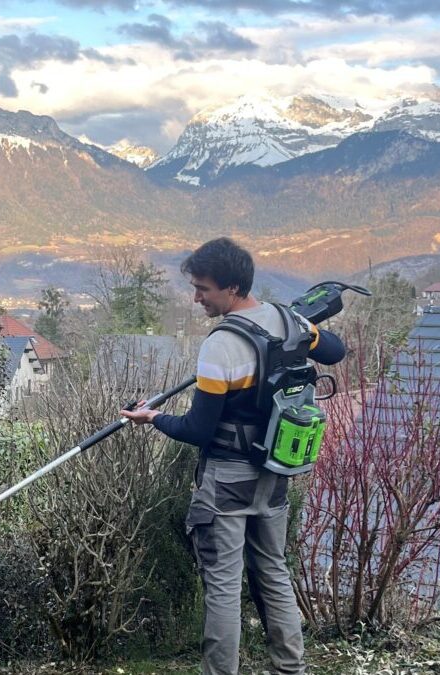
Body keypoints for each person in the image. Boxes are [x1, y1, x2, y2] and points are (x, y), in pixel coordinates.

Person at [121, 237, 345, 675]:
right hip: (276, 473)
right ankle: (290, 668)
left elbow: (199, 429)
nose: (196, 297)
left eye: (204, 289)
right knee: (274, 572)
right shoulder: (290, 319)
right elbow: (334, 352)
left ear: (233, 288)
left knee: (223, 586)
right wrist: (306, 331)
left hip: (226, 479)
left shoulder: (219, 347)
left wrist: (154, 419)